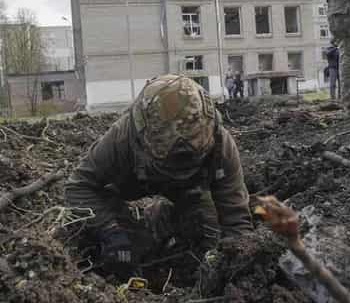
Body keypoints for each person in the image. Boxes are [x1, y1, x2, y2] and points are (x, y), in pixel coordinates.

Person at [65, 74, 253, 278]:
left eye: (189, 161)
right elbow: (78, 187)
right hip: (129, 186)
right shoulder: (121, 139)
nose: (180, 168)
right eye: (175, 162)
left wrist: (240, 267)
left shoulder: (220, 145)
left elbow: (236, 220)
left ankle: (168, 218)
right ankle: (149, 224)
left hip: (190, 192)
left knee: (210, 236)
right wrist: (110, 230)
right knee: (128, 250)